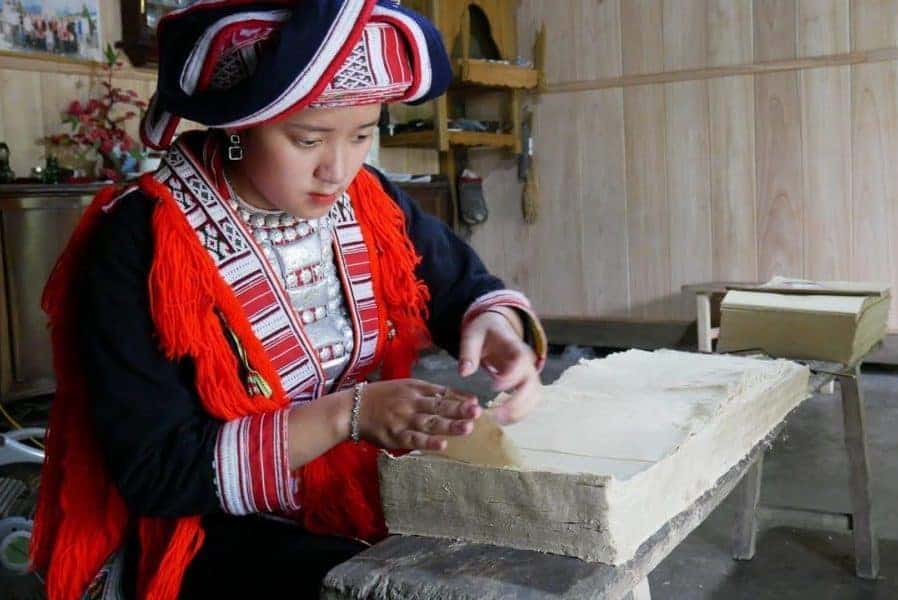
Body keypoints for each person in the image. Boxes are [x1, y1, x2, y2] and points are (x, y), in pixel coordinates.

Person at [31, 1, 547, 598]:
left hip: (350, 487)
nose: (338, 169)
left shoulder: (367, 197)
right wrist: (347, 414)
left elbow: (459, 285)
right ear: (239, 124)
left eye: (362, 135)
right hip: (208, 527)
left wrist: (501, 326)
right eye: (307, 139)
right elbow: (157, 471)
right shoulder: (143, 241)